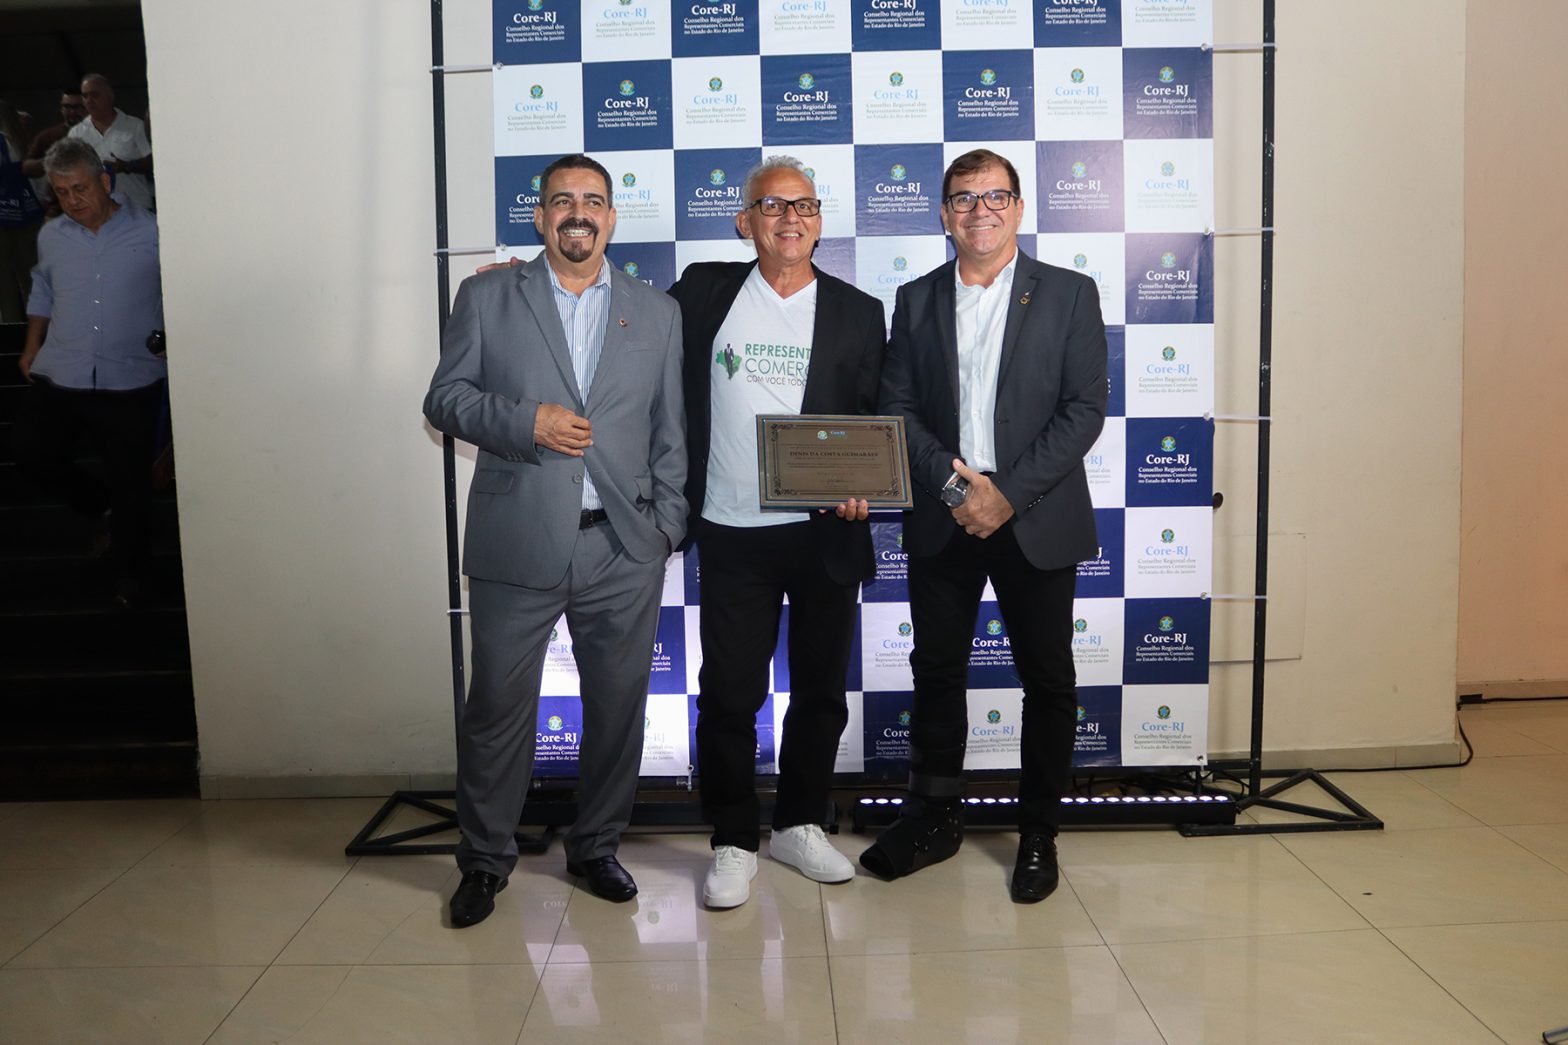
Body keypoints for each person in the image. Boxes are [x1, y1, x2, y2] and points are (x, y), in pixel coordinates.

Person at [424, 153, 687, 926]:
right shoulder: (486, 295)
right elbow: (445, 399)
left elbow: (670, 430)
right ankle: (484, 858)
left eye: (593, 200)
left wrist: (665, 527)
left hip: (622, 547)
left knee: (618, 707)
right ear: (540, 216)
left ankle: (596, 845)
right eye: (562, 199)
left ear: (612, 217)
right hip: (516, 540)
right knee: (497, 708)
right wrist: (526, 421)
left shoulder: (658, 311)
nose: (579, 212)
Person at [862, 148, 1108, 903]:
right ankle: (934, 819)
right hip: (946, 513)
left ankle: (1039, 832)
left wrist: (1008, 494)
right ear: (945, 214)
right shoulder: (915, 299)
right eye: (964, 198)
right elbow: (897, 408)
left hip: (1036, 513)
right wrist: (955, 488)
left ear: (1019, 208)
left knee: (1049, 679)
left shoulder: (1069, 293)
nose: (980, 210)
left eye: (995, 196)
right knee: (937, 671)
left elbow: (1084, 409)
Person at [668, 157, 886, 909]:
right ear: (745, 221)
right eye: (772, 206)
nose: (790, 219)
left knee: (821, 693)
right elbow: (624, 322)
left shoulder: (859, 312)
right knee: (730, 693)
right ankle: (732, 837)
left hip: (824, 533)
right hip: (732, 531)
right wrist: (523, 279)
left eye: (804, 206)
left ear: (819, 222)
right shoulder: (703, 292)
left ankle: (799, 823)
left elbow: (874, 418)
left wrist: (865, 486)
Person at [13, 138, 165, 604]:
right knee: (32, 455)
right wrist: (31, 346)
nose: (72, 200)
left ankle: (132, 574)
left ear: (104, 181)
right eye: (61, 192)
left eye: (80, 188)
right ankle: (101, 506)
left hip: (131, 377)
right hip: (63, 371)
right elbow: (42, 288)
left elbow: (180, 288)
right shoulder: (52, 235)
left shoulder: (154, 231)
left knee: (132, 480)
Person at [68, 75, 153, 212]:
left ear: (110, 96)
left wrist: (127, 166)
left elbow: (153, 161)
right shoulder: (76, 133)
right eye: (85, 96)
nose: (89, 100)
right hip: (96, 211)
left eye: (95, 95)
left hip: (135, 207)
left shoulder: (135, 126)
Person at [0, 100, 44, 321]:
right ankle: (34, 324)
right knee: (28, 275)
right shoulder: (17, 144)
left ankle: (13, 324)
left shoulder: (14, 143)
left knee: (8, 280)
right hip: (23, 216)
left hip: (11, 217)